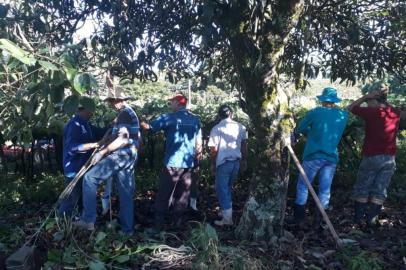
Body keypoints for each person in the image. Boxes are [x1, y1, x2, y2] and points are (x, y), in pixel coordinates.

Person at [74, 85, 140, 235]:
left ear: (119, 100)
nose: (112, 104)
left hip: (121, 155)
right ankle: (127, 231)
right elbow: (120, 136)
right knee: (125, 193)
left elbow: (123, 140)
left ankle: (88, 220)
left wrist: (103, 152)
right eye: (111, 101)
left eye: (113, 101)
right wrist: (104, 142)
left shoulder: (124, 114)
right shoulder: (129, 114)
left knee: (90, 178)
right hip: (129, 156)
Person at [141, 94, 202, 234]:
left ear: (177, 103)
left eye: (171, 102)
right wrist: (196, 162)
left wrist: (137, 121)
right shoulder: (195, 120)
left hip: (173, 163)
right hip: (188, 164)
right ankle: (177, 225)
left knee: (164, 194)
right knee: (182, 195)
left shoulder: (169, 117)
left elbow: (149, 128)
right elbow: (199, 145)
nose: (170, 105)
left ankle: (157, 227)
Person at [348, 85, 404, 227]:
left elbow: (351, 107)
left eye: (369, 102)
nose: (367, 104)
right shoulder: (395, 112)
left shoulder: (372, 113)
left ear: (374, 101)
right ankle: (371, 222)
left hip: (371, 156)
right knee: (380, 190)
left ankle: (358, 222)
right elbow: (391, 108)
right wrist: (381, 98)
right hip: (389, 159)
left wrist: (366, 97)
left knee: (362, 188)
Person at [293, 87, 348, 228]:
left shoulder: (315, 112)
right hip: (331, 157)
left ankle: (299, 219)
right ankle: (320, 220)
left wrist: (309, 132)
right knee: (325, 188)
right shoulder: (342, 115)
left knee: (303, 186)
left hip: (313, 155)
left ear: (323, 100)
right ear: (334, 101)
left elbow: (300, 128)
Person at [208, 105, 248, 226]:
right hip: (236, 161)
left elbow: (213, 149)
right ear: (231, 114)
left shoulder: (217, 128)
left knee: (222, 189)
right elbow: (244, 145)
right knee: (228, 187)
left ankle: (227, 219)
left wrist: (212, 163)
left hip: (223, 163)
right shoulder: (241, 127)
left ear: (219, 115)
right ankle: (226, 211)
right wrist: (244, 160)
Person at [59, 100, 99, 216]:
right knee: (70, 201)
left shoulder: (87, 124)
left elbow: (100, 132)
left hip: (85, 168)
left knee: (83, 200)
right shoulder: (74, 125)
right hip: (74, 170)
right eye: (91, 110)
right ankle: (62, 224)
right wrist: (93, 145)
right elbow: (72, 147)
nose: (92, 113)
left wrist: (112, 126)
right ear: (84, 109)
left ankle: (81, 224)